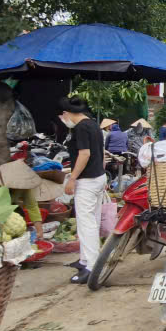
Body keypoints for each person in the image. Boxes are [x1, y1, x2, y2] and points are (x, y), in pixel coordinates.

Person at [61, 97, 107, 285]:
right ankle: (84, 260)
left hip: (87, 181)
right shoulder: (93, 124)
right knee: (92, 221)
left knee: (85, 222)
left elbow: (85, 153)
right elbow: (101, 151)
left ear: (67, 113)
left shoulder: (80, 128)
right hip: (98, 177)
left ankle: (92, 266)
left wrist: (72, 179)